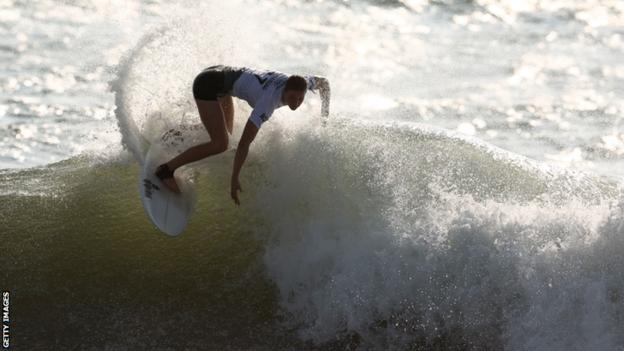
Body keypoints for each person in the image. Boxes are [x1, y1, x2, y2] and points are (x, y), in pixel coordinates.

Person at [154, 65, 331, 205]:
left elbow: (324, 83)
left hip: (220, 78)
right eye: (293, 97)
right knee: (220, 144)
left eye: (300, 99)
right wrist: (234, 178)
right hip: (207, 84)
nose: (296, 103)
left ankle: (177, 134)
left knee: (225, 134)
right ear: (285, 90)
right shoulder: (267, 103)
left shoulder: (302, 83)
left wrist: (324, 116)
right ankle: (165, 170)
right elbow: (245, 143)